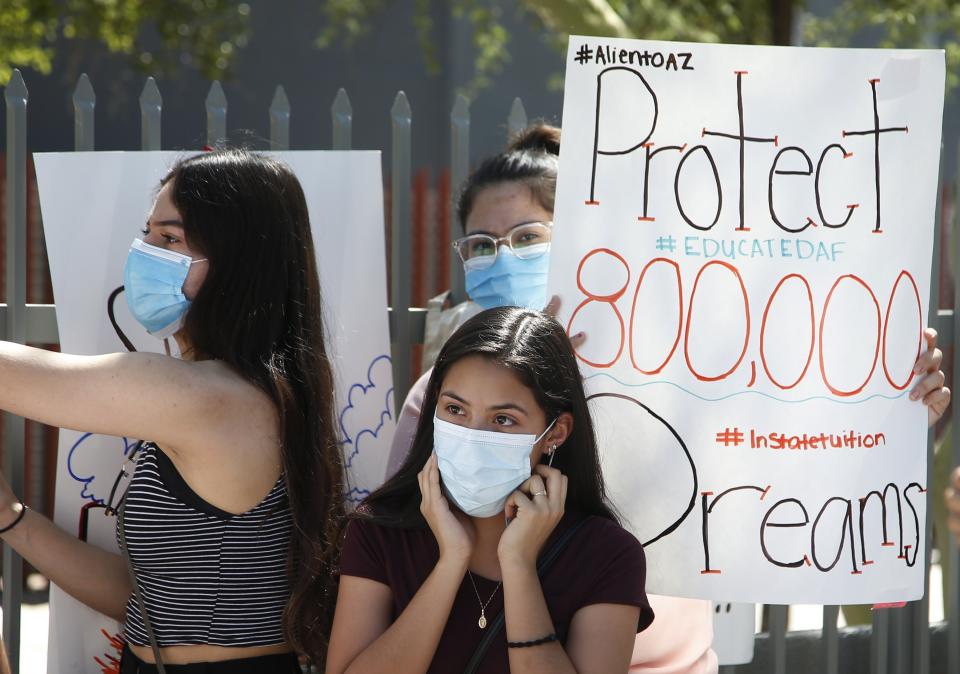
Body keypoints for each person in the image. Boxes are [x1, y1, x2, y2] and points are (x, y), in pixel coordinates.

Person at [386, 123, 951, 671]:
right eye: (482, 244)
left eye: (529, 237)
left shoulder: (689, 371)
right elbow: (407, 548)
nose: (504, 258)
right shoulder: (437, 403)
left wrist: (890, 409)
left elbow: (793, 456)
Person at [0, 150, 344, 672]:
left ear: (241, 262)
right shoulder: (252, 389)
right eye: (147, 235)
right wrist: (13, 521)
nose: (143, 252)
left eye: (169, 239)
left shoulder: (210, 397)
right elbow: (150, 599)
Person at [327, 307, 654, 673]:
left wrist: (518, 565)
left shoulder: (606, 555)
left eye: (503, 419)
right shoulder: (379, 531)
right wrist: (451, 560)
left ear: (556, 433)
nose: (474, 436)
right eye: (455, 409)